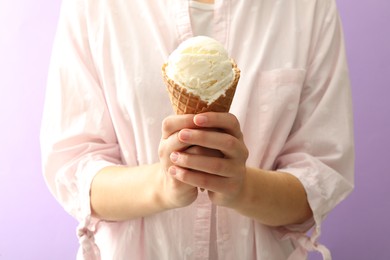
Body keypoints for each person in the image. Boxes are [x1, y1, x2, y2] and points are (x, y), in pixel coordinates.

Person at [40, 0, 354, 259]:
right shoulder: (92, 7)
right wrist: (163, 185)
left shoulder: (309, 8)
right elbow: (73, 167)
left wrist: (243, 187)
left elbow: (320, 176)